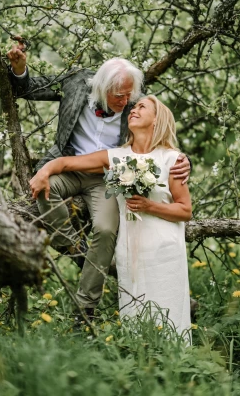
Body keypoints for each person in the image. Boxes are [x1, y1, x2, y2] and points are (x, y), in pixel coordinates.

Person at [7, 41, 191, 316]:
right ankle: (68, 245)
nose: (125, 102)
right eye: (118, 95)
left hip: (106, 178)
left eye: (129, 95)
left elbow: (159, 132)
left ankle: (85, 309)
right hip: (68, 167)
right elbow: (28, 88)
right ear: (101, 88)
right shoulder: (76, 84)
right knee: (44, 188)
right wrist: (19, 68)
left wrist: (183, 159)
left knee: (105, 231)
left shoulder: (134, 104)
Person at [30, 95, 192, 336]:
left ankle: (172, 368)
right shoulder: (116, 157)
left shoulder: (172, 160)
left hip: (164, 250)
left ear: (157, 120)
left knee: (170, 322)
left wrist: (149, 206)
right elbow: (66, 163)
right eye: (133, 107)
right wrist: (45, 170)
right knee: (134, 320)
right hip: (130, 251)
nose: (133, 110)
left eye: (141, 107)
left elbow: (185, 210)